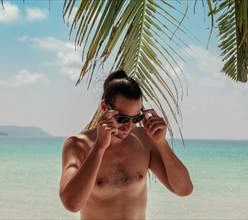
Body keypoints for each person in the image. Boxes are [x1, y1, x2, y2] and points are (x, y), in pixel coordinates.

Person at [59, 70, 193, 219]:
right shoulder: (78, 144)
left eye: (136, 118)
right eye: (122, 118)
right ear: (104, 107)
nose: (129, 126)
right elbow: (71, 204)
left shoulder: (144, 140)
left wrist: (161, 144)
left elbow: (184, 189)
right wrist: (99, 147)